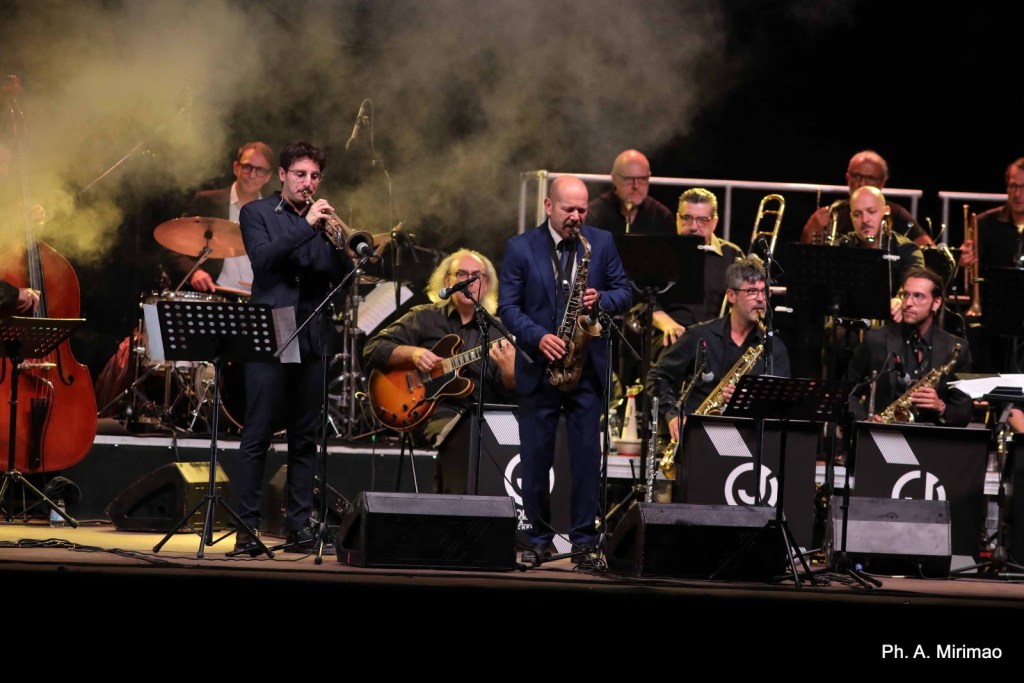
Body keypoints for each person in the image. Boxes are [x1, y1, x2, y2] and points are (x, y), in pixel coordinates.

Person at [498, 175, 631, 564]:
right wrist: (539, 338)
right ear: (548, 206)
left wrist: (600, 298)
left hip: (585, 370)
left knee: (588, 460)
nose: (576, 217)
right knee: (536, 459)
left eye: (582, 209)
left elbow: (624, 292)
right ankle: (537, 538)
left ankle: (584, 541)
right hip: (539, 370)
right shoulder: (520, 248)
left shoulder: (601, 242)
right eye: (569, 209)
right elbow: (508, 308)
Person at [232, 141, 352, 555]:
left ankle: (299, 526)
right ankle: (246, 530)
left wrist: (345, 252)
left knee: (305, 438)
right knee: (258, 434)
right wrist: (308, 228)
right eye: (300, 174)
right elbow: (265, 261)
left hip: (313, 333)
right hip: (271, 330)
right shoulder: (257, 214)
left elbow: (339, 282)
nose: (308, 183)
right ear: (282, 175)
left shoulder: (326, 225)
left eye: (315, 176)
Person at [362, 248, 516, 489]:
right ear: (447, 281)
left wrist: (509, 371)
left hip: (484, 415)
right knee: (461, 437)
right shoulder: (425, 318)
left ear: (485, 284)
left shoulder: (498, 331)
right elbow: (373, 348)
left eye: (476, 276)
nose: (469, 281)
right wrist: (413, 354)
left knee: (519, 439)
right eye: (462, 274)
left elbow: (509, 392)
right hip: (434, 412)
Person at [646, 256, 789, 444]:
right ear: (731, 295)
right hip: (698, 440)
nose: (761, 299)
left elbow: (784, 401)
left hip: (751, 442)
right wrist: (672, 415)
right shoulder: (700, 335)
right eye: (752, 291)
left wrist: (749, 399)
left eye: (764, 292)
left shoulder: (773, 347)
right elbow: (657, 376)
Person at [846, 267, 972, 426]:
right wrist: (865, 421)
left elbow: (964, 412)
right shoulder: (875, 339)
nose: (908, 303)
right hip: (879, 438)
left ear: (936, 303)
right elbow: (847, 393)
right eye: (906, 295)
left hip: (931, 443)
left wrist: (941, 407)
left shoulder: (956, 348)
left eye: (918, 296)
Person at [172, 141, 275, 294]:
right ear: (236, 168)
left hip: (258, 301)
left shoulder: (275, 214)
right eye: (247, 167)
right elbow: (174, 247)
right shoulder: (207, 201)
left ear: (268, 177)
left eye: (260, 170)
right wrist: (195, 272)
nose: (252, 175)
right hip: (216, 295)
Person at [650, 188, 744, 352]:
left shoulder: (732, 255)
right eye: (687, 218)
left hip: (718, 337)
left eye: (702, 220)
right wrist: (668, 325)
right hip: (673, 334)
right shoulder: (662, 252)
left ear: (714, 223)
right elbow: (644, 302)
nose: (694, 227)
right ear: (678, 219)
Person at [800, 150, 933, 247]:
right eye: (857, 176)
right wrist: (810, 231)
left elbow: (928, 249)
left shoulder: (896, 214)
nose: (862, 183)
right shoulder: (833, 212)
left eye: (870, 178)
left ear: (882, 182)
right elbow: (805, 259)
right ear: (848, 178)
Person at [585, 149, 674, 236]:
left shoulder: (662, 217)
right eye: (628, 179)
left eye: (642, 179)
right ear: (614, 179)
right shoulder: (594, 215)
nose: (636, 186)